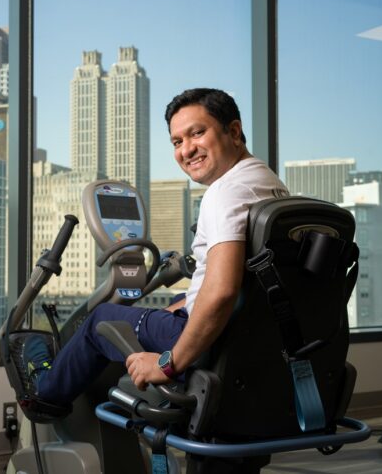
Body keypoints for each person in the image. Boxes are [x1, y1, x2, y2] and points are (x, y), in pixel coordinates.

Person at [23, 88, 289, 407]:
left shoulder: (225, 193)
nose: (187, 149)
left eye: (197, 133)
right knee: (177, 300)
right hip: (256, 336)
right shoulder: (269, 184)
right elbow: (245, 283)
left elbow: (220, 293)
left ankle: (45, 394)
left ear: (233, 131)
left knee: (101, 320)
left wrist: (168, 364)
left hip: (216, 341)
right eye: (177, 142)